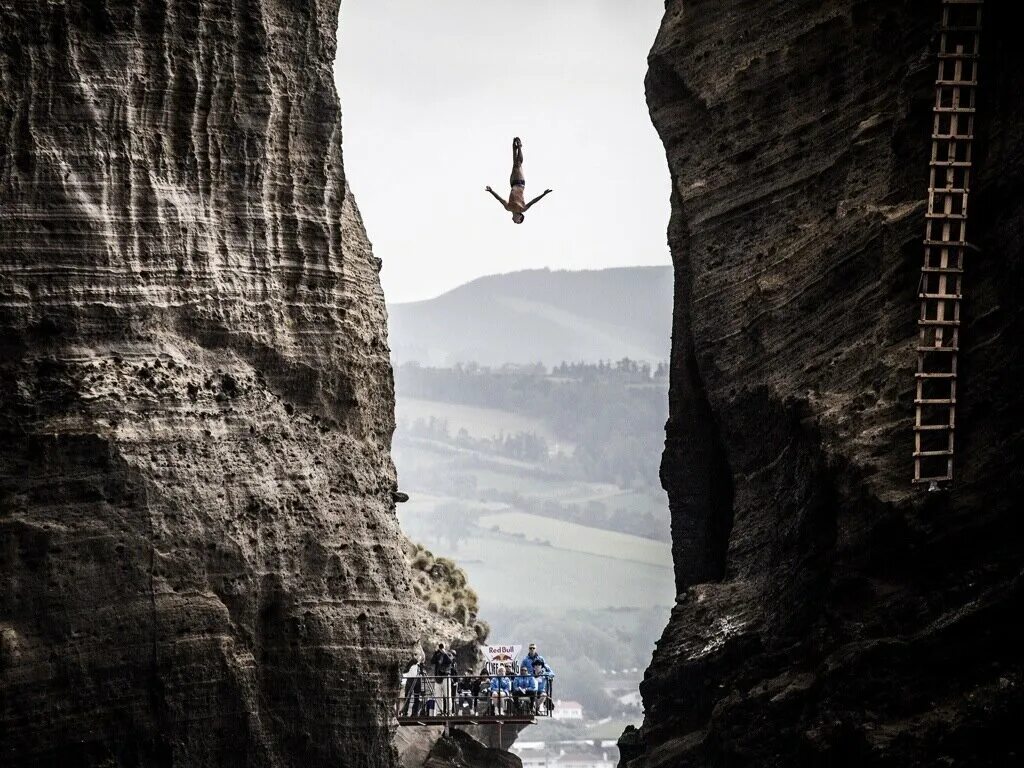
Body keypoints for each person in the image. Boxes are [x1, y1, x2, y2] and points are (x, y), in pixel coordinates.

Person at [485, 137, 552, 224]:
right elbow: (533, 201)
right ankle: (519, 146)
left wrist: (491, 191)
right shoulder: (522, 208)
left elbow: (499, 199)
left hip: (512, 184)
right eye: (517, 221)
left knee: (515, 165)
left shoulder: (508, 207)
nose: (514, 221)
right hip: (520, 183)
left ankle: (514, 148)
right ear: (520, 217)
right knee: (518, 164)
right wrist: (544, 194)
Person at [431, 643, 456, 714]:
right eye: (440, 647)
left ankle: (449, 711)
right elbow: (432, 661)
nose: (441, 648)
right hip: (438, 677)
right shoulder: (437, 655)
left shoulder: (449, 654)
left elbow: (450, 661)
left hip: (446, 677)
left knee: (448, 695)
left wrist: (444, 653)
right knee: (438, 696)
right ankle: (439, 712)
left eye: (442, 647)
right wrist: (435, 652)